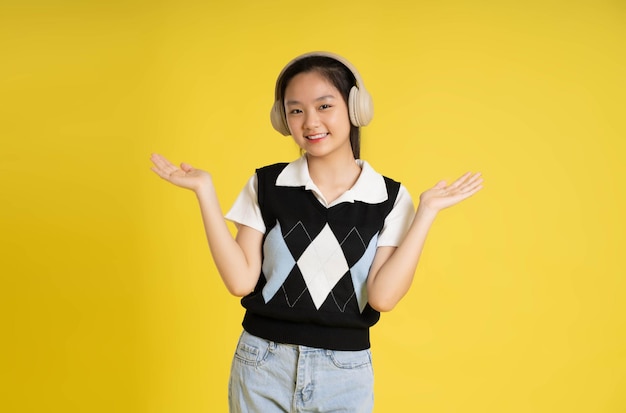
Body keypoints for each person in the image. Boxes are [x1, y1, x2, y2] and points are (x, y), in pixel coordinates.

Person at [150, 51, 483, 413]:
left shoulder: (389, 197)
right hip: (262, 361)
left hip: (344, 371)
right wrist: (205, 192)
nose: (310, 122)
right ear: (283, 118)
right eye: (296, 110)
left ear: (355, 109)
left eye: (324, 106)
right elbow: (240, 281)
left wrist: (426, 213)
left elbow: (383, 298)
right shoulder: (267, 184)